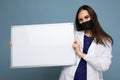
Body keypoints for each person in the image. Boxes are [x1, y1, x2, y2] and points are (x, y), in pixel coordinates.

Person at [59, 5, 113, 80]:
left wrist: (80, 53)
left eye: (86, 17)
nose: (84, 21)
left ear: (93, 17)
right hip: (69, 76)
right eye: (80, 20)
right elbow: (61, 53)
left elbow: (104, 66)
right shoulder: (73, 35)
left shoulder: (105, 41)